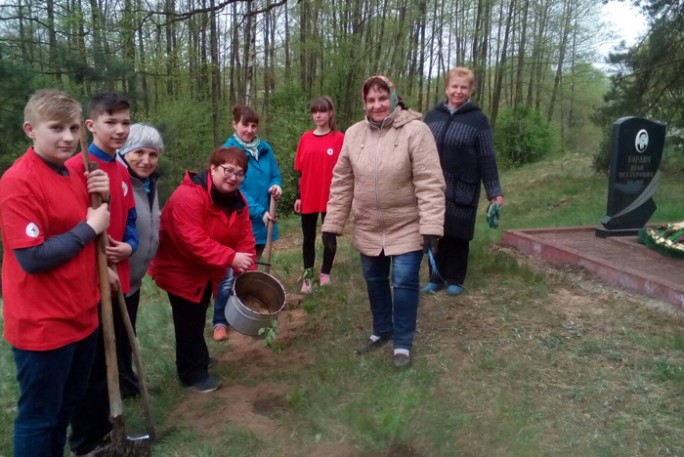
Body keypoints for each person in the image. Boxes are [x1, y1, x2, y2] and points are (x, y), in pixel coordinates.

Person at [0, 89, 110, 457]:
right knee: (39, 417)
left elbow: (88, 227)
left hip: (83, 314)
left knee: (68, 404)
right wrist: (89, 228)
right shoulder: (18, 182)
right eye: (56, 128)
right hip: (44, 323)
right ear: (30, 129)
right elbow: (32, 257)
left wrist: (101, 197)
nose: (68, 137)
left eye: (74, 128)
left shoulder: (74, 173)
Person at [321, 76, 445, 369]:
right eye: (370, 100)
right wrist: (332, 224)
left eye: (382, 98)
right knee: (375, 280)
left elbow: (430, 181)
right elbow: (342, 182)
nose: (377, 105)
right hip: (369, 225)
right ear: (364, 103)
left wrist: (431, 227)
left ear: (394, 97)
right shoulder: (354, 135)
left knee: (403, 281)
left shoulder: (416, 131)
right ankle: (382, 329)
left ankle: (402, 341)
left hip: (406, 223)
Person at [148, 146, 257, 393]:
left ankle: (198, 356)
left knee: (198, 313)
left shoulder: (237, 200)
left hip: (207, 269)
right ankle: (192, 373)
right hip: (180, 269)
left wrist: (245, 264)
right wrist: (231, 258)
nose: (233, 177)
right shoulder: (188, 196)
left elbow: (245, 236)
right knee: (188, 318)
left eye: (240, 173)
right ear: (213, 168)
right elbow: (193, 242)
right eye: (227, 170)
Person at [66, 91, 138, 455]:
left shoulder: (121, 168)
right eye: (111, 122)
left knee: (111, 357)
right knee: (91, 368)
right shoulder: (79, 168)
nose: (120, 129)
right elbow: (75, 226)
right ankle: (87, 440)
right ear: (91, 125)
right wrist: (99, 271)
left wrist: (129, 246)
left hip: (117, 277)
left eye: (126, 122)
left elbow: (131, 219)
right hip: (90, 284)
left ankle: (109, 431)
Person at [422, 67, 504, 296]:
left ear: (470, 90)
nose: (458, 91)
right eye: (454, 86)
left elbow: (487, 157)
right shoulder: (432, 116)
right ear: (447, 88)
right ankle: (435, 277)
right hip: (434, 188)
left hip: (464, 186)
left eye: (463, 87)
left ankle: (456, 278)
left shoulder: (478, 119)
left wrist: (494, 191)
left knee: (457, 234)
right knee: (435, 231)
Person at [211, 105, 282, 342]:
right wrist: (259, 211)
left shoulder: (265, 148)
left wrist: (277, 186)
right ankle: (220, 321)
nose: (250, 130)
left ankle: (247, 315)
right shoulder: (229, 151)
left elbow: (274, 174)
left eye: (254, 126)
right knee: (227, 275)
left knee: (250, 272)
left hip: (263, 224)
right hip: (236, 222)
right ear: (235, 125)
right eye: (245, 125)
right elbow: (236, 188)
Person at [115, 123, 164, 393]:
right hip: (115, 277)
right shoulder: (120, 181)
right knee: (112, 337)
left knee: (126, 333)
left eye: (153, 154)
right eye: (139, 152)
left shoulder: (148, 183)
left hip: (133, 278)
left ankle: (126, 381)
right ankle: (109, 392)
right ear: (124, 151)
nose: (146, 160)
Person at [293, 96, 344, 293]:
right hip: (308, 195)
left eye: (322, 111)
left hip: (332, 197)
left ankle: (325, 275)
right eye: (315, 111)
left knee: (329, 238)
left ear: (330, 113)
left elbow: (346, 170)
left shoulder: (339, 138)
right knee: (308, 238)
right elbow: (301, 171)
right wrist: (299, 196)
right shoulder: (305, 138)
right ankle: (307, 278)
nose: (318, 115)